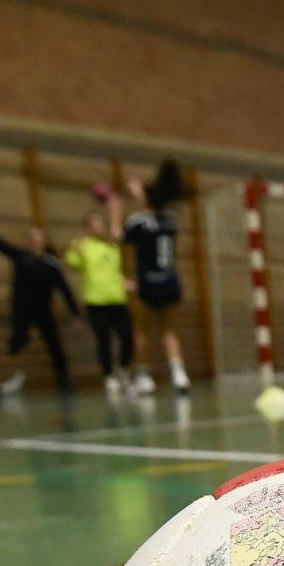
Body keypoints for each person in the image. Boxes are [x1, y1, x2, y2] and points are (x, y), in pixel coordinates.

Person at [0, 195, 78, 393]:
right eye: (33, 239)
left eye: (40, 238)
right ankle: (12, 376)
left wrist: (75, 314)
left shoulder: (51, 264)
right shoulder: (20, 256)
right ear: (29, 241)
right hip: (22, 308)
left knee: (55, 345)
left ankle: (64, 380)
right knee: (18, 341)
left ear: (44, 241)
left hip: (43, 310)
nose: (36, 242)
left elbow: (64, 289)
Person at [109, 160, 191, 395]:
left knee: (142, 331)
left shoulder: (139, 222)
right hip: (171, 281)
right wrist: (141, 193)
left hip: (149, 283)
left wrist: (116, 213)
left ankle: (144, 378)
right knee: (168, 331)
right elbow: (155, 208)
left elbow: (117, 237)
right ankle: (179, 375)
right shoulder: (171, 221)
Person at [65, 207, 134, 396]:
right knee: (103, 339)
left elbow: (114, 272)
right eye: (95, 224)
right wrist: (77, 248)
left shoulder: (112, 247)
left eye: (102, 224)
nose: (100, 227)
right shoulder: (82, 246)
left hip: (117, 298)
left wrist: (124, 281)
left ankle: (122, 369)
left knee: (127, 336)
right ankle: (108, 375)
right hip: (95, 300)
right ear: (88, 227)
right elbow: (72, 262)